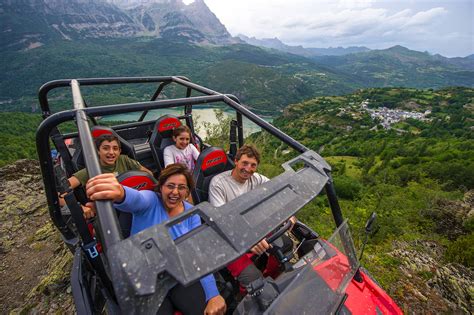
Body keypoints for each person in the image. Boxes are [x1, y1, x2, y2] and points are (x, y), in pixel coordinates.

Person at [85, 164, 226, 315]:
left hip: (176, 275)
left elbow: (197, 254)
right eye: (170, 186)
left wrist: (213, 294)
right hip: (145, 278)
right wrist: (120, 192)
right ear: (161, 187)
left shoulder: (192, 213)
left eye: (181, 187)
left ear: (187, 192)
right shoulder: (151, 201)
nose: (175, 192)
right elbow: (136, 198)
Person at [208, 144, 295, 288]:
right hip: (231, 238)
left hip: (254, 227)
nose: (248, 169)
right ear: (236, 161)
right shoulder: (219, 184)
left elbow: (278, 190)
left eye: (253, 165)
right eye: (244, 163)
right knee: (253, 278)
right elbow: (221, 221)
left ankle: (273, 278)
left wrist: (289, 212)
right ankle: (248, 299)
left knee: (285, 245)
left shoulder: (256, 179)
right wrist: (248, 240)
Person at [61, 134, 153, 218]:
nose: (111, 152)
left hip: (131, 204)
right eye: (106, 148)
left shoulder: (124, 160)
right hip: (109, 213)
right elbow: (60, 193)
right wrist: (80, 208)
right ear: (97, 151)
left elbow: (148, 175)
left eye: (115, 148)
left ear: (120, 151)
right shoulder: (90, 170)